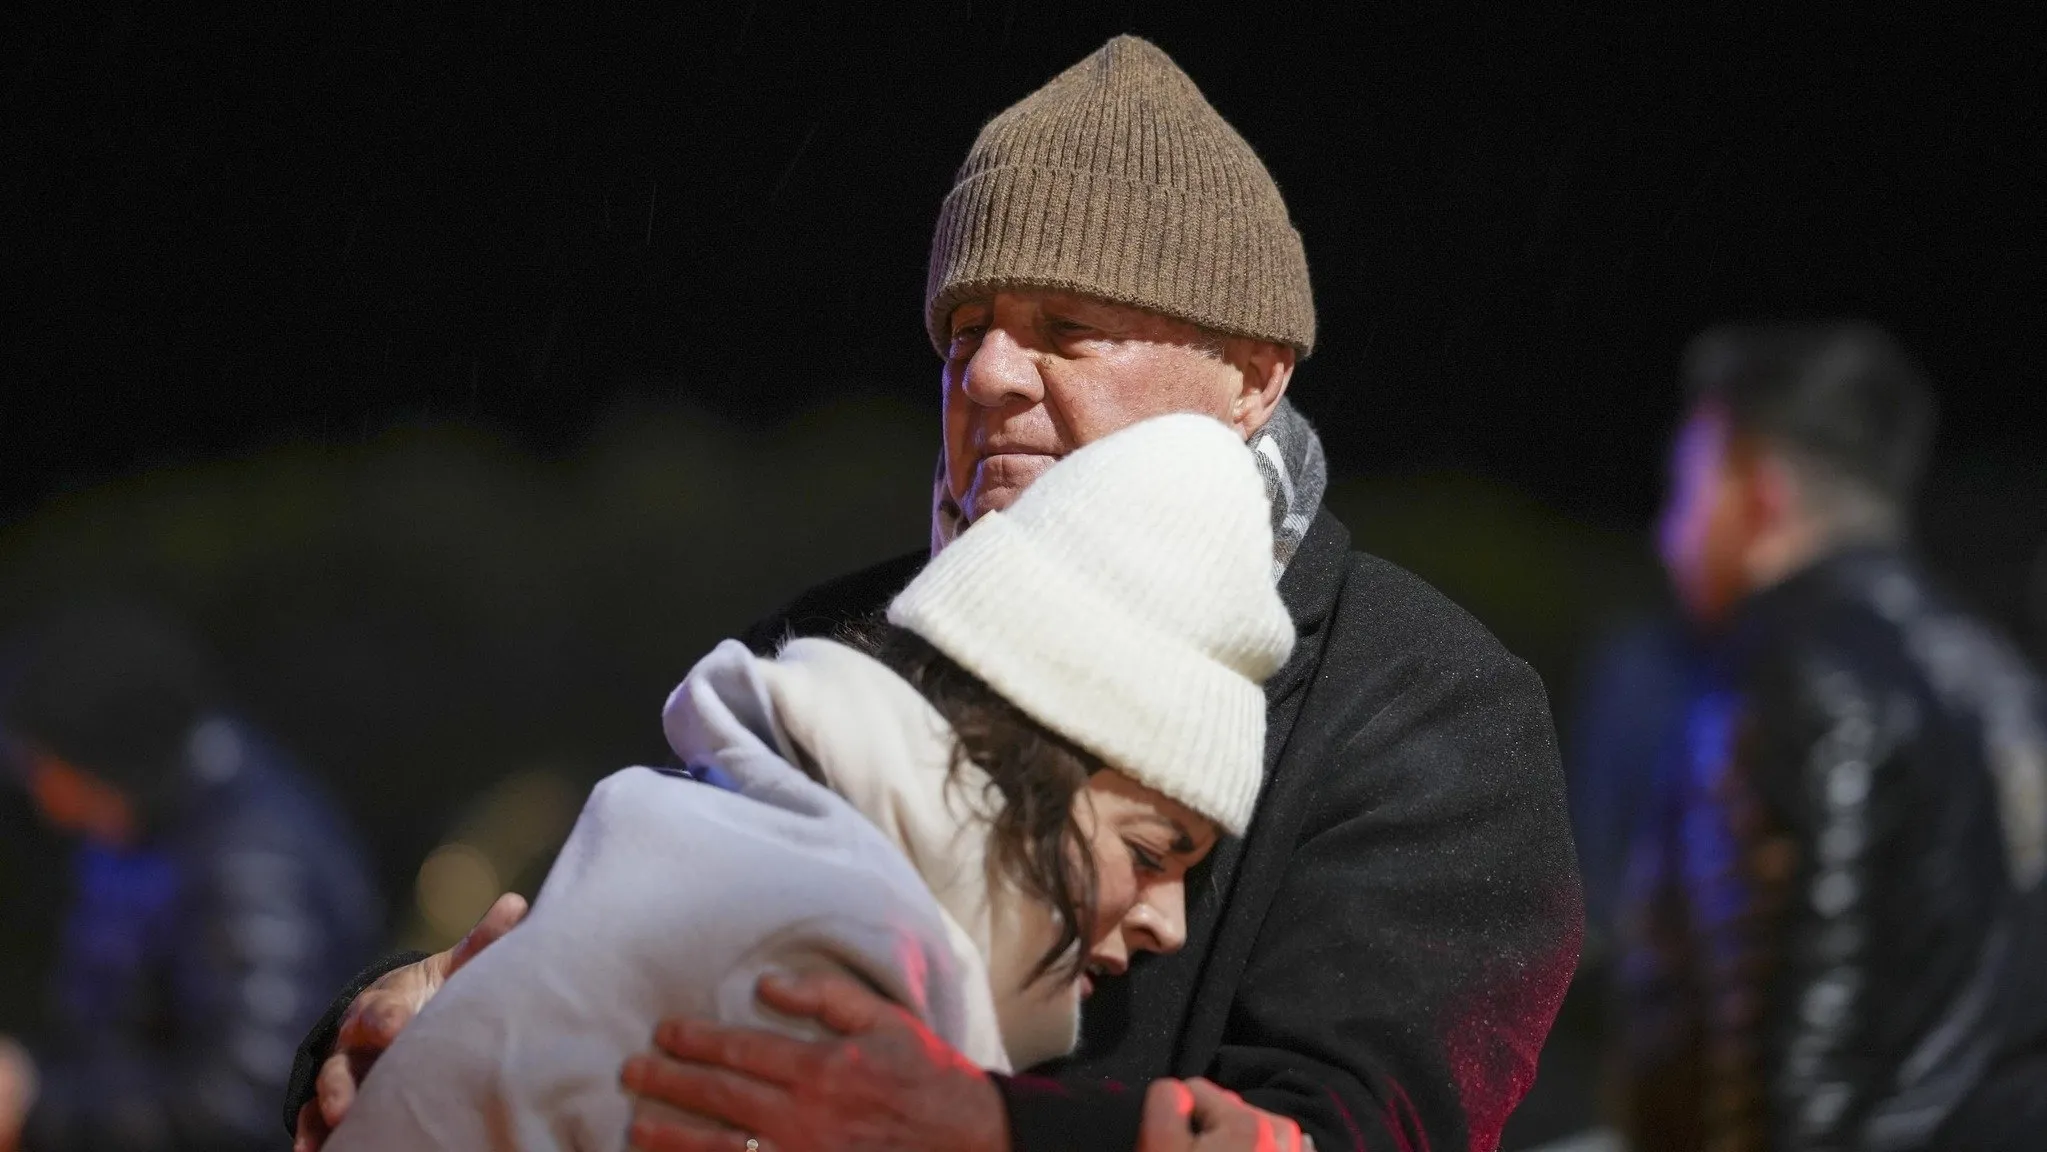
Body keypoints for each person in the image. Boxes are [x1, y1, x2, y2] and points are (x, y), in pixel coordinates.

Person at [290, 35, 1583, 1152]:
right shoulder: (822, 650)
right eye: (964, 331)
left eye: (1068, 326)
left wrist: (982, 1129)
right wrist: (416, 1027)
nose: (990, 378)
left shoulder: (1426, 709)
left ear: (1251, 374)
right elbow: (621, 987)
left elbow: (1355, 1132)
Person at [320, 414, 1297, 1150]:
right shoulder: (825, 938)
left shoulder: (756, 847)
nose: (1169, 922)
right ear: (1027, 758)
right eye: (1148, 851)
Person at [1617, 322, 2047, 1150]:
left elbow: (1787, 1049)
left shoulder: (1793, 673)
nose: (1668, 533)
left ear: (1759, 488)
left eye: (1687, 488)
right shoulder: (1998, 677)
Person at [0, 596, 380, 1152]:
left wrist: (39, 1112)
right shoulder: (139, 824)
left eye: (41, 764)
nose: (37, 791)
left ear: (100, 754)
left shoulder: (253, 864)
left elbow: (250, 1103)